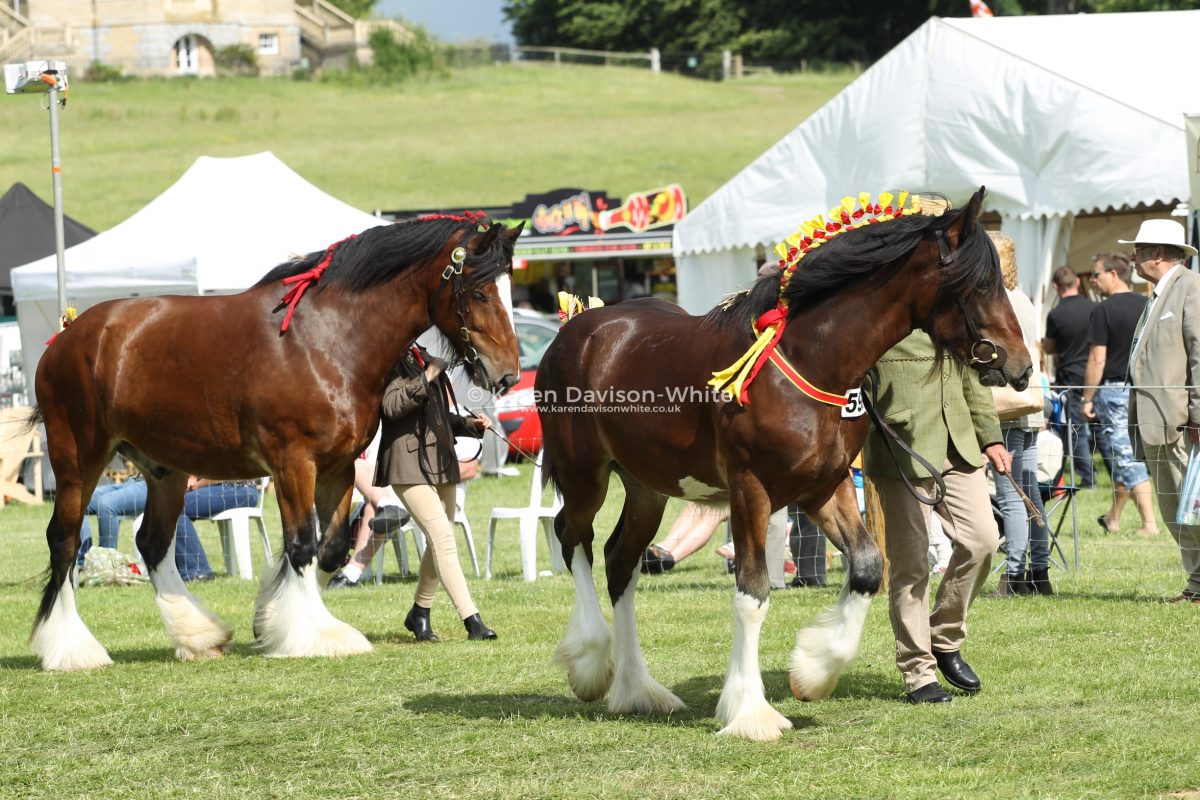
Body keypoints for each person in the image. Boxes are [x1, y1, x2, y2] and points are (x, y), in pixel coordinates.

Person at [864, 330, 1011, 704]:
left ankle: (943, 637)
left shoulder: (954, 312)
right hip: (902, 447)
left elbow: (974, 376)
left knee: (983, 540)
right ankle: (919, 674)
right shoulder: (877, 310)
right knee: (911, 565)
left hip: (959, 446)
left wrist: (991, 437)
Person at [375, 344, 498, 640]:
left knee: (440, 539)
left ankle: (420, 612)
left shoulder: (425, 356)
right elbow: (391, 407)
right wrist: (427, 376)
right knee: (442, 537)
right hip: (406, 462)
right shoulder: (387, 360)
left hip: (440, 460)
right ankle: (472, 621)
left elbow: (438, 415)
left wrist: (470, 424)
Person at [1122, 219, 1200, 604]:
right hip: (1154, 419)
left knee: (1191, 503)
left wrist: (1198, 414)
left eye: (1138, 250)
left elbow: (1199, 354)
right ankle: (1197, 582)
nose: (1132, 256)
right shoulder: (1158, 293)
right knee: (1175, 507)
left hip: (1180, 421)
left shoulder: (1191, 287)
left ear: (1158, 253)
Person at [988, 232, 1052, 597]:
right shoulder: (1023, 299)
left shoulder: (1000, 301)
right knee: (1030, 493)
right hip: (1028, 404)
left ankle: (1014, 576)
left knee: (1011, 495)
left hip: (1009, 404)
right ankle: (1040, 571)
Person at [1080, 252, 1157, 538]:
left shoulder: (1102, 310)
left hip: (1115, 390)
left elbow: (1097, 359)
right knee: (1128, 453)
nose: (1092, 280)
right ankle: (1113, 517)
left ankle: (1150, 524)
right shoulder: (1148, 304)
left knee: (1125, 456)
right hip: (1147, 389)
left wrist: (1087, 398)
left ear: (1113, 274)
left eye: (1096, 274)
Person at [76, 475, 257, 582]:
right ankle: (81, 564)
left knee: (172, 505)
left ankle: (197, 570)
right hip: (216, 487)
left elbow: (228, 471)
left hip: (237, 489)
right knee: (172, 503)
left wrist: (196, 483)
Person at [326, 439, 413, 590]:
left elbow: (378, 474)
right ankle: (385, 505)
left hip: (377, 498)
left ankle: (351, 574)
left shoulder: (374, 436)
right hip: (339, 501)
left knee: (376, 510)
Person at [1043, 265, 1097, 487]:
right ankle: (1118, 474)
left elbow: (1049, 348)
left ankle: (1088, 476)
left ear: (1055, 286)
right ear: (1077, 282)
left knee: (1075, 428)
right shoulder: (1094, 308)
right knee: (1102, 427)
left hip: (1070, 376)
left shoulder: (1055, 315)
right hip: (1096, 374)